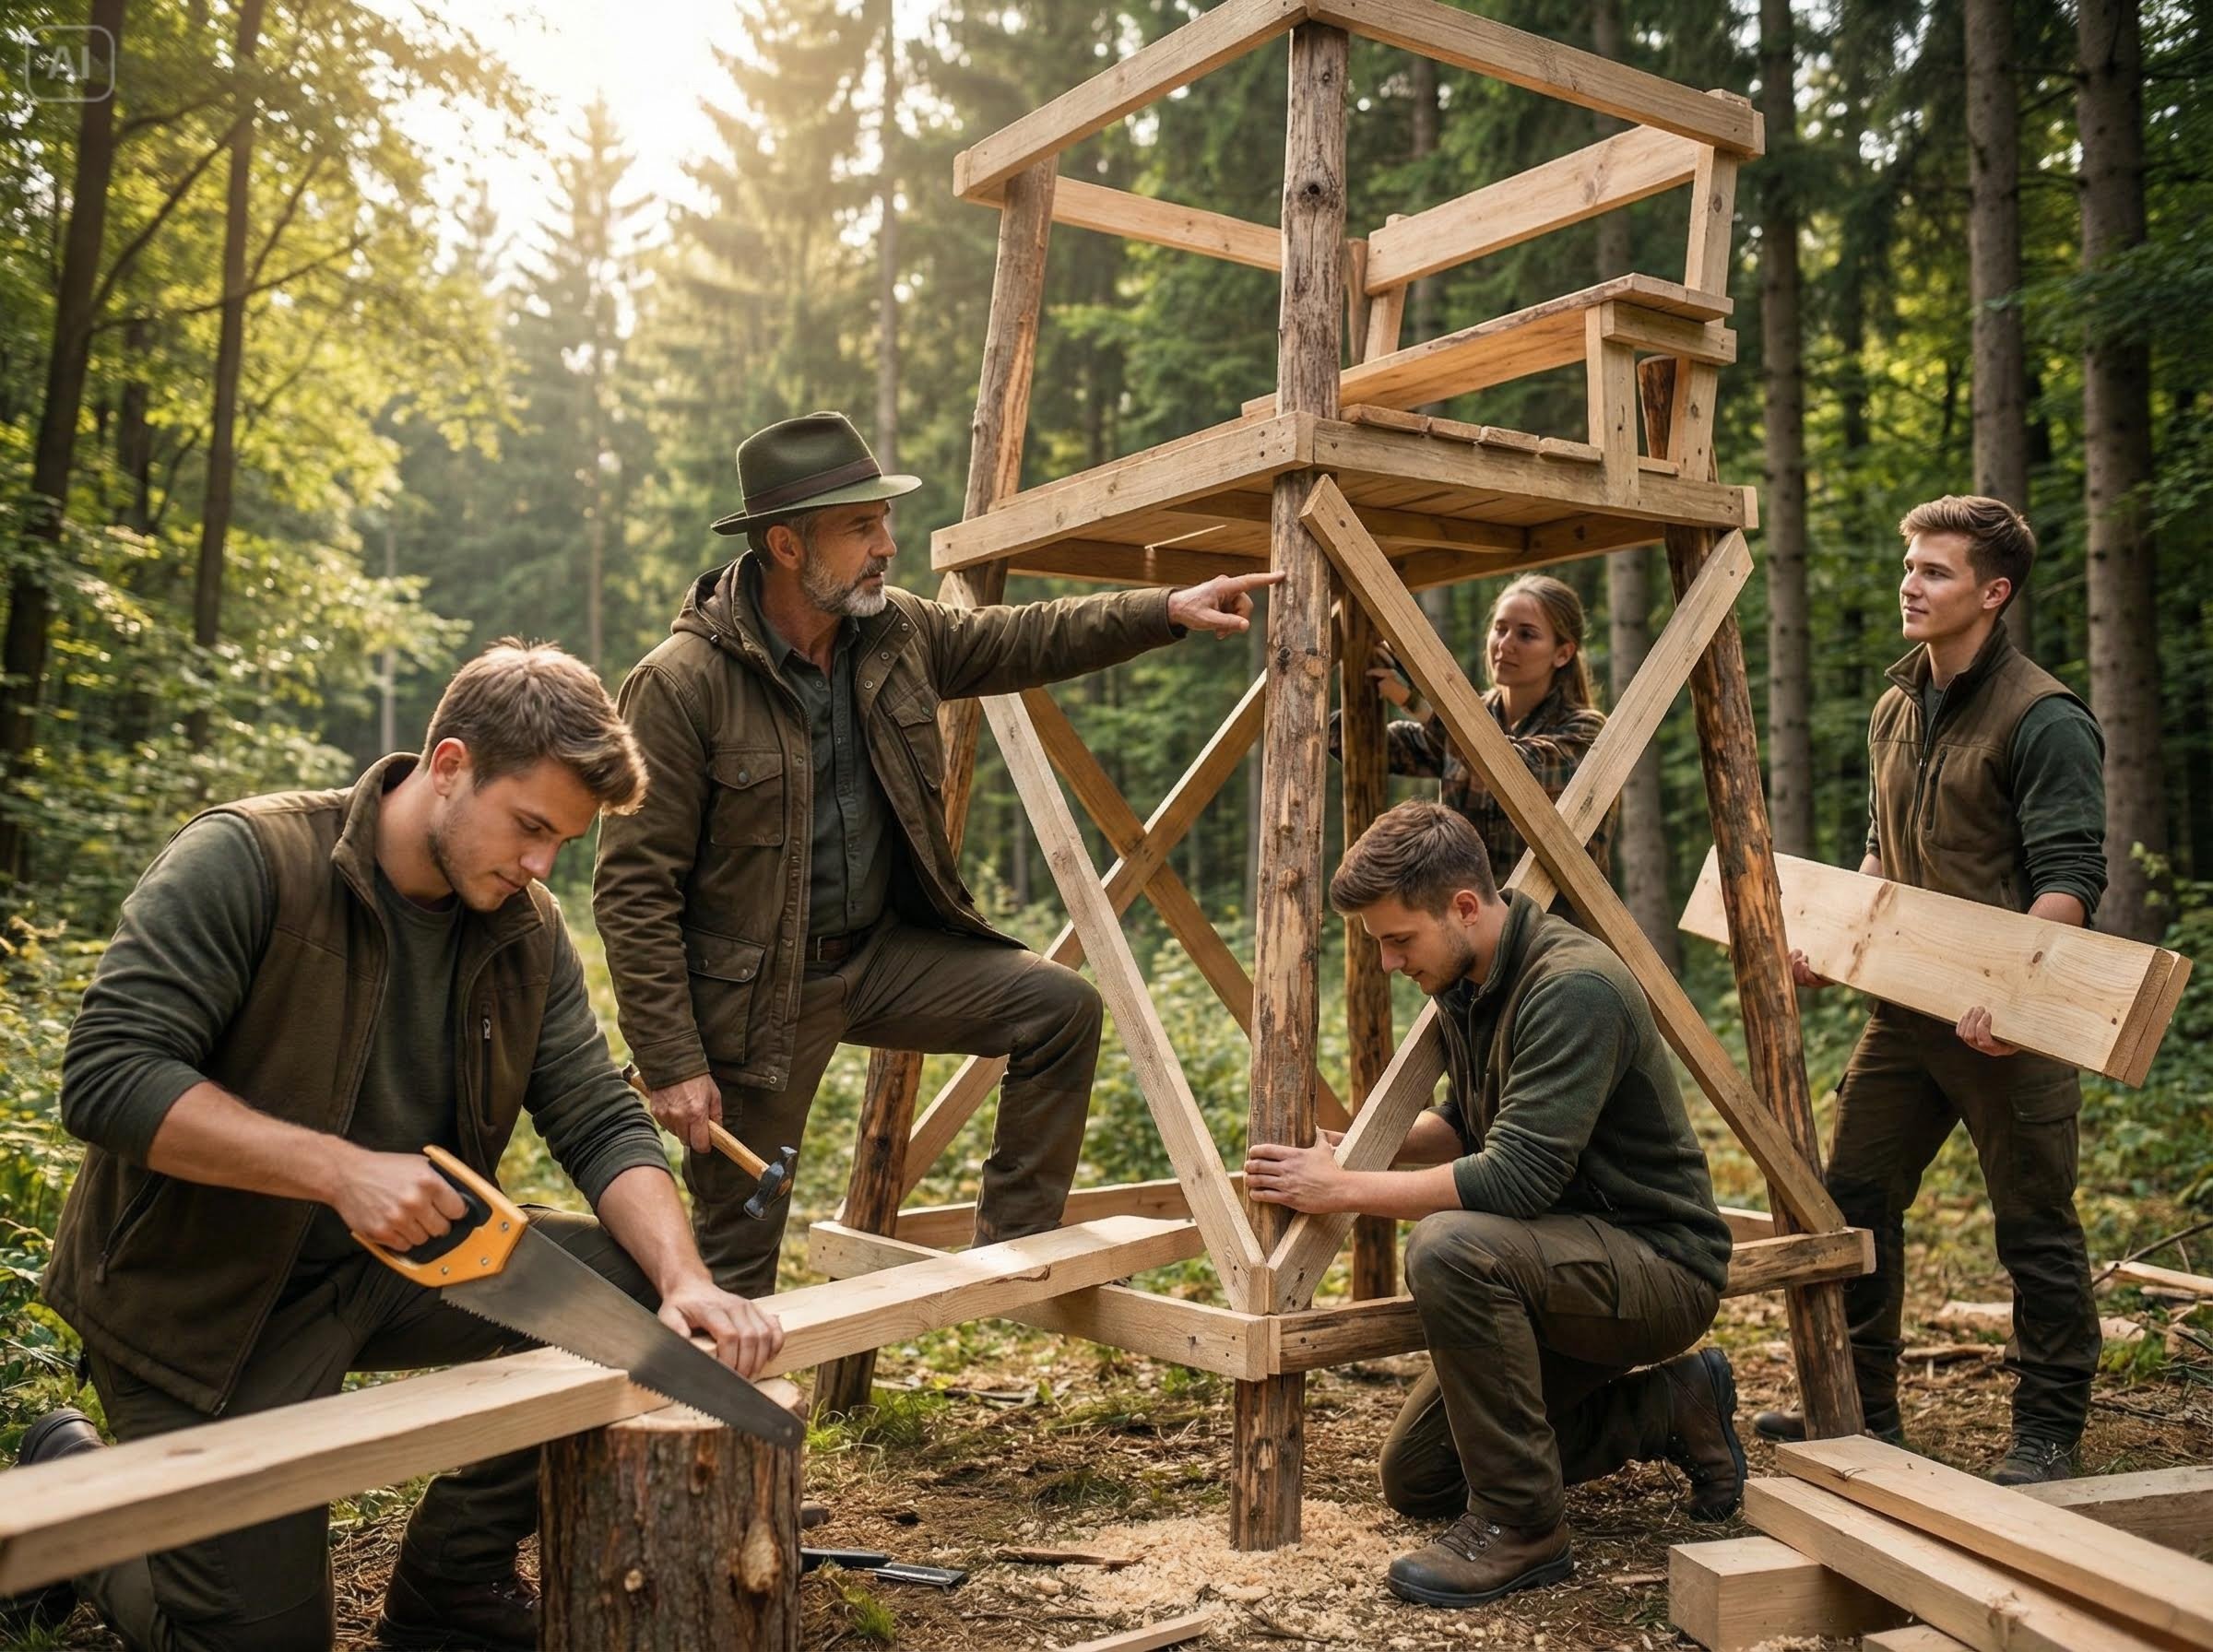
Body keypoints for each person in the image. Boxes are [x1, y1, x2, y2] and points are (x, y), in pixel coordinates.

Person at [16, 642, 784, 1652]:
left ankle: (452, 1578)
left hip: (394, 1265)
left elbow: (596, 1111)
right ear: (452, 764)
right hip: (204, 1299)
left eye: (565, 841)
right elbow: (109, 1076)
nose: (543, 864)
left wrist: (683, 1275)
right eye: (531, 827)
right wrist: (338, 1171)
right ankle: (74, 1488)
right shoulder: (249, 859)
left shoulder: (527, 925)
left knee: (646, 1296)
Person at [594, 410, 1279, 1294]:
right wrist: (675, 1064)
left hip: (884, 956)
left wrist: (1164, 610)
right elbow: (632, 892)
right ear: (787, 546)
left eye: (883, 519)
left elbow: (1027, 636)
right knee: (735, 1252)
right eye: (860, 526)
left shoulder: (898, 633)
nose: (888, 543)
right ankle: (723, 1424)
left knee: (1058, 1011)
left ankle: (1007, 1264)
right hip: (757, 998)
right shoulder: (680, 684)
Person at [1245, 800, 1741, 1609]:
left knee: (1448, 1247)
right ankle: (1672, 1408)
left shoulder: (1573, 988)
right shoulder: (1473, 978)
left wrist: (1340, 1191)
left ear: (1465, 907)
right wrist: (1355, 1150)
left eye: (1398, 939)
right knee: (1421, 1476)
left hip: (1655, 1267)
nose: (1389, 963)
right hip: (1556, 1263)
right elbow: (1470, 1124)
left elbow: (1513, 1178)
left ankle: (1523, 1528)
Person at [1755, 496, 2107, 1486]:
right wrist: (1837, 942)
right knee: (1853, 1196)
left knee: (2033, 1223)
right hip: (1904, 1013)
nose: (1911, 582)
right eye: (1909, 564)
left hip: (2008, 1023)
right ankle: (1862, 1408)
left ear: (1993, 593)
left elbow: (2072, 878)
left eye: (1937, 571)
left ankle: (2047, 1431)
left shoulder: (2046, 718)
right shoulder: (1895, 704)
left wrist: (2017, 996)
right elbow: (1883, 851)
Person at [1331, 572, 1613, 891]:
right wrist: (1351, 681)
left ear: (1563, 653)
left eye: (1526, 635)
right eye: (1500, 629)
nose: (1505, 645)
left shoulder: (1586, 731)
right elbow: (1373, 747)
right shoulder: (1471, 717)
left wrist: (1420, 703)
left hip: (1551, 931)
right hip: (1468, 927)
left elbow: (1514, 767)